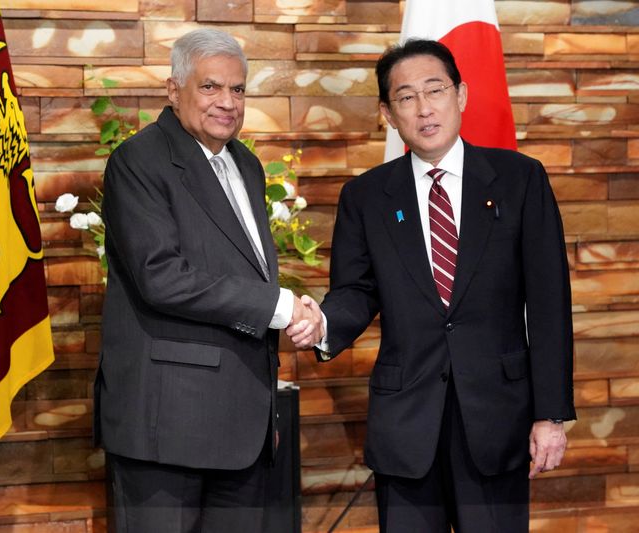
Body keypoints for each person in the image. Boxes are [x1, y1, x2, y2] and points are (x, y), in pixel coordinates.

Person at [289, 39, 575, 532]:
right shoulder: (365, 196)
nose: (424, 109)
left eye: (434, 90)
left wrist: (550, 415)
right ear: (387, 112)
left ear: (460, 95)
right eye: (405, 97)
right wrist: (323, 324)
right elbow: (356, 291)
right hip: (406, 423)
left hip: (497, 419)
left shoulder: (519, 180)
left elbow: (550, 304)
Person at [93, 28, 314, 533]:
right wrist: (279, 307)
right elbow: (161, 277)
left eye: (238, 90)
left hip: (242, 424)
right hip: (168, 423)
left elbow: (243, 268)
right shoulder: (139, 161)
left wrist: (291, 309)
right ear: (174, 91)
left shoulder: (248, 165)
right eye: (211, 87)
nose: (227, 103)